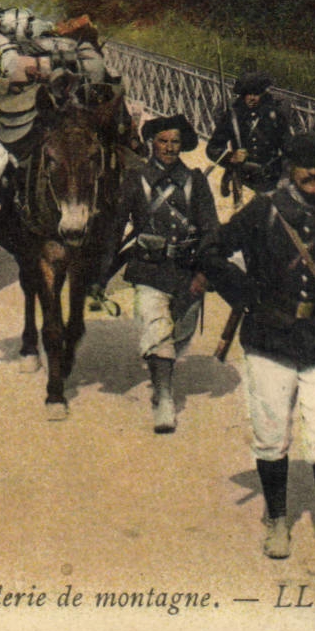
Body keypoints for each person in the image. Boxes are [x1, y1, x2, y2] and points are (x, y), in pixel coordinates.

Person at [204, 132, 315, 583]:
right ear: (290, 167)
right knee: (272, 432)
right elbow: (212, 250)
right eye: (306, 165)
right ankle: (277, 519)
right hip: (269, 337)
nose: (314, 174)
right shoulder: (264, 208)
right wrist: (242, 291)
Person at [95, 114, 218, 434]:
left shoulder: (195, 182)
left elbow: (211, 231)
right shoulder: (135, 180)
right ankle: (163, 398)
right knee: (157, 328)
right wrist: (101, 275)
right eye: (163, 141)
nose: (169, 147)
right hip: (149, 269)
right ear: (152, 143)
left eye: (175, 142)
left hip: (187, 271)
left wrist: (205, 270)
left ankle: (163, 370)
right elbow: (115, 230)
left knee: (179, 335)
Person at [205, 70, 292, 204]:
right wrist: (230, 158)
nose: (252, 98)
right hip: (242, 178)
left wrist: (284, 176)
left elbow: (288, 148)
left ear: (263, 94)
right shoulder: (233, 116)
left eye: (256, 93)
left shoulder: (274, 116)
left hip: (268, 178)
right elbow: (213, 148)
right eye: (248, 94)